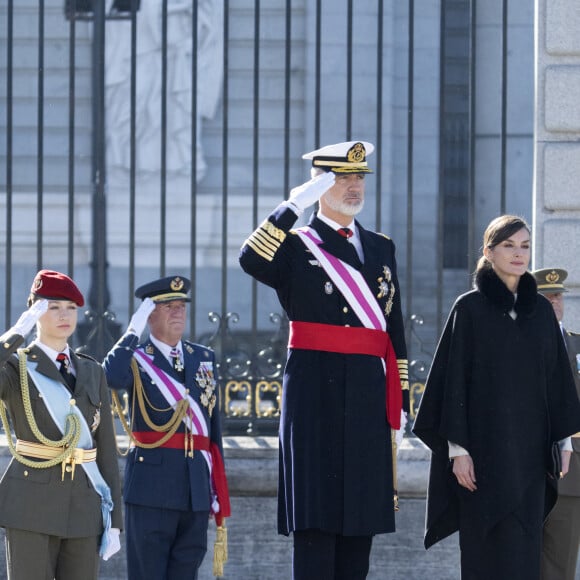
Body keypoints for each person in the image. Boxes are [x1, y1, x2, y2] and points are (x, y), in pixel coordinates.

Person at [239, 140, 409, 580]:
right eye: (341, 179)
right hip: (315, 396)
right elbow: (250, 259)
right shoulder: (296, 246)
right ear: (320, 184)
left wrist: (401, 396)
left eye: (359, 178)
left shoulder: (380, 247)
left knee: (360, 530)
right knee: (316, 527)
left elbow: (394, 328)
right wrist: (293, 205)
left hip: (369, 397)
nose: (354, 187)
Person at [413, 216, 580, 580]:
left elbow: (558, 380)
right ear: (489, 252)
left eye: (524, 246)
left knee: (524, 555)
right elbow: (453, 382)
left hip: (531, 460)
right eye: (509, 245)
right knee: (483, 556)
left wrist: (564, 439)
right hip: (481, 462)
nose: (519, 254)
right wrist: (458, 452)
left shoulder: (540, 314)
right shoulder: (469, 309)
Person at [102, 275, 230, 580]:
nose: (178, 312)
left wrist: (216, 488)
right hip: (151, 489)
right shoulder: (135, 358)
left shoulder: (204, 358)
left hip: (195, 489)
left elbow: (213, 431)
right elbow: (110, 377)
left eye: (181, 306)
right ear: (149, 315)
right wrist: (132, 330)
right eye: (168, 306)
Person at [0, 269, 123, 579]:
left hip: (83, 506)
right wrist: (15, 334)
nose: (64, 315)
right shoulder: (16, 367)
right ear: (35, 311)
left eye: (70, 308)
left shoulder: (92, 371)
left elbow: (106, 450)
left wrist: (116, 521)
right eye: (52, 307)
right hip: (30, 507)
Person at [534, 268, 580, 580]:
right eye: (546, 297)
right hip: (525, 472)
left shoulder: (578, 346)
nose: (554, 302)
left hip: (572, 473)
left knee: (560, 566)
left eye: (558, 296)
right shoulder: (515, 344)